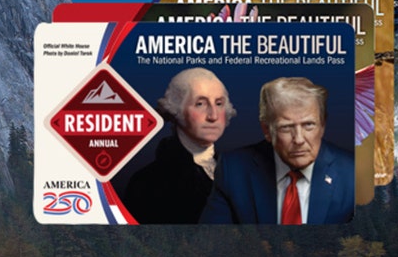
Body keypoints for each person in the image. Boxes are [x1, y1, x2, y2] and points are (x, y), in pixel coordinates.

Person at [200, 76, 354, 225]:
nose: (299, 139)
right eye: (286, 127)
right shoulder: (233, 170)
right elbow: (211, 242)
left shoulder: (353, 174)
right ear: (267, 130)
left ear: (322, 126)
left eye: (308, 125)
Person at [123, 67, 235, 224]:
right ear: (176, 110)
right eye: (200, 104)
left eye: (219, 103)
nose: (213, 115)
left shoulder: (237, 170)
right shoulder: (147, 183)